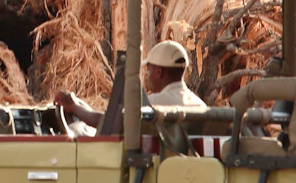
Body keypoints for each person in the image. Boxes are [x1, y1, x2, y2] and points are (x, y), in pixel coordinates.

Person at [55, 39, 205, 137]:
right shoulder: (199, 104)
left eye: (149, 69)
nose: (147, 74)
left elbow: (109, 123)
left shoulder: (152, 105)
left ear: (159, 72)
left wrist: (73, 106)